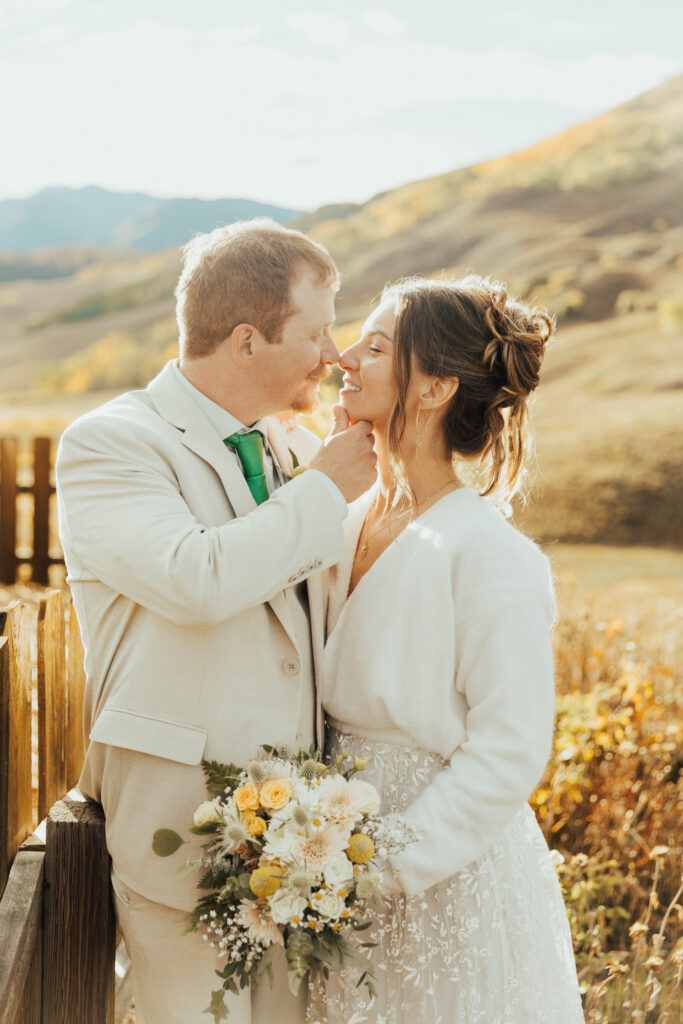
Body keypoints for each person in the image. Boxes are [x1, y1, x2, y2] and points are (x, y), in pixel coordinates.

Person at [55, 219, 377, 1024]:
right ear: (246, 340)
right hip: (182, 820)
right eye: (315, 331)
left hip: (296, 833)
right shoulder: (112, 443)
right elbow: (193, 578)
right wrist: (322, 492)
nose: (332, 353)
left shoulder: (284, 446)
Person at [308, 275, 585, 1023]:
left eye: (373, 346)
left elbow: (508, 750)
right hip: (326, 860)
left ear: (432, 387)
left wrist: (382, 865)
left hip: (444, 881)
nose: (344, 359)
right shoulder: (336, 515)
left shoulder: (491, 554)